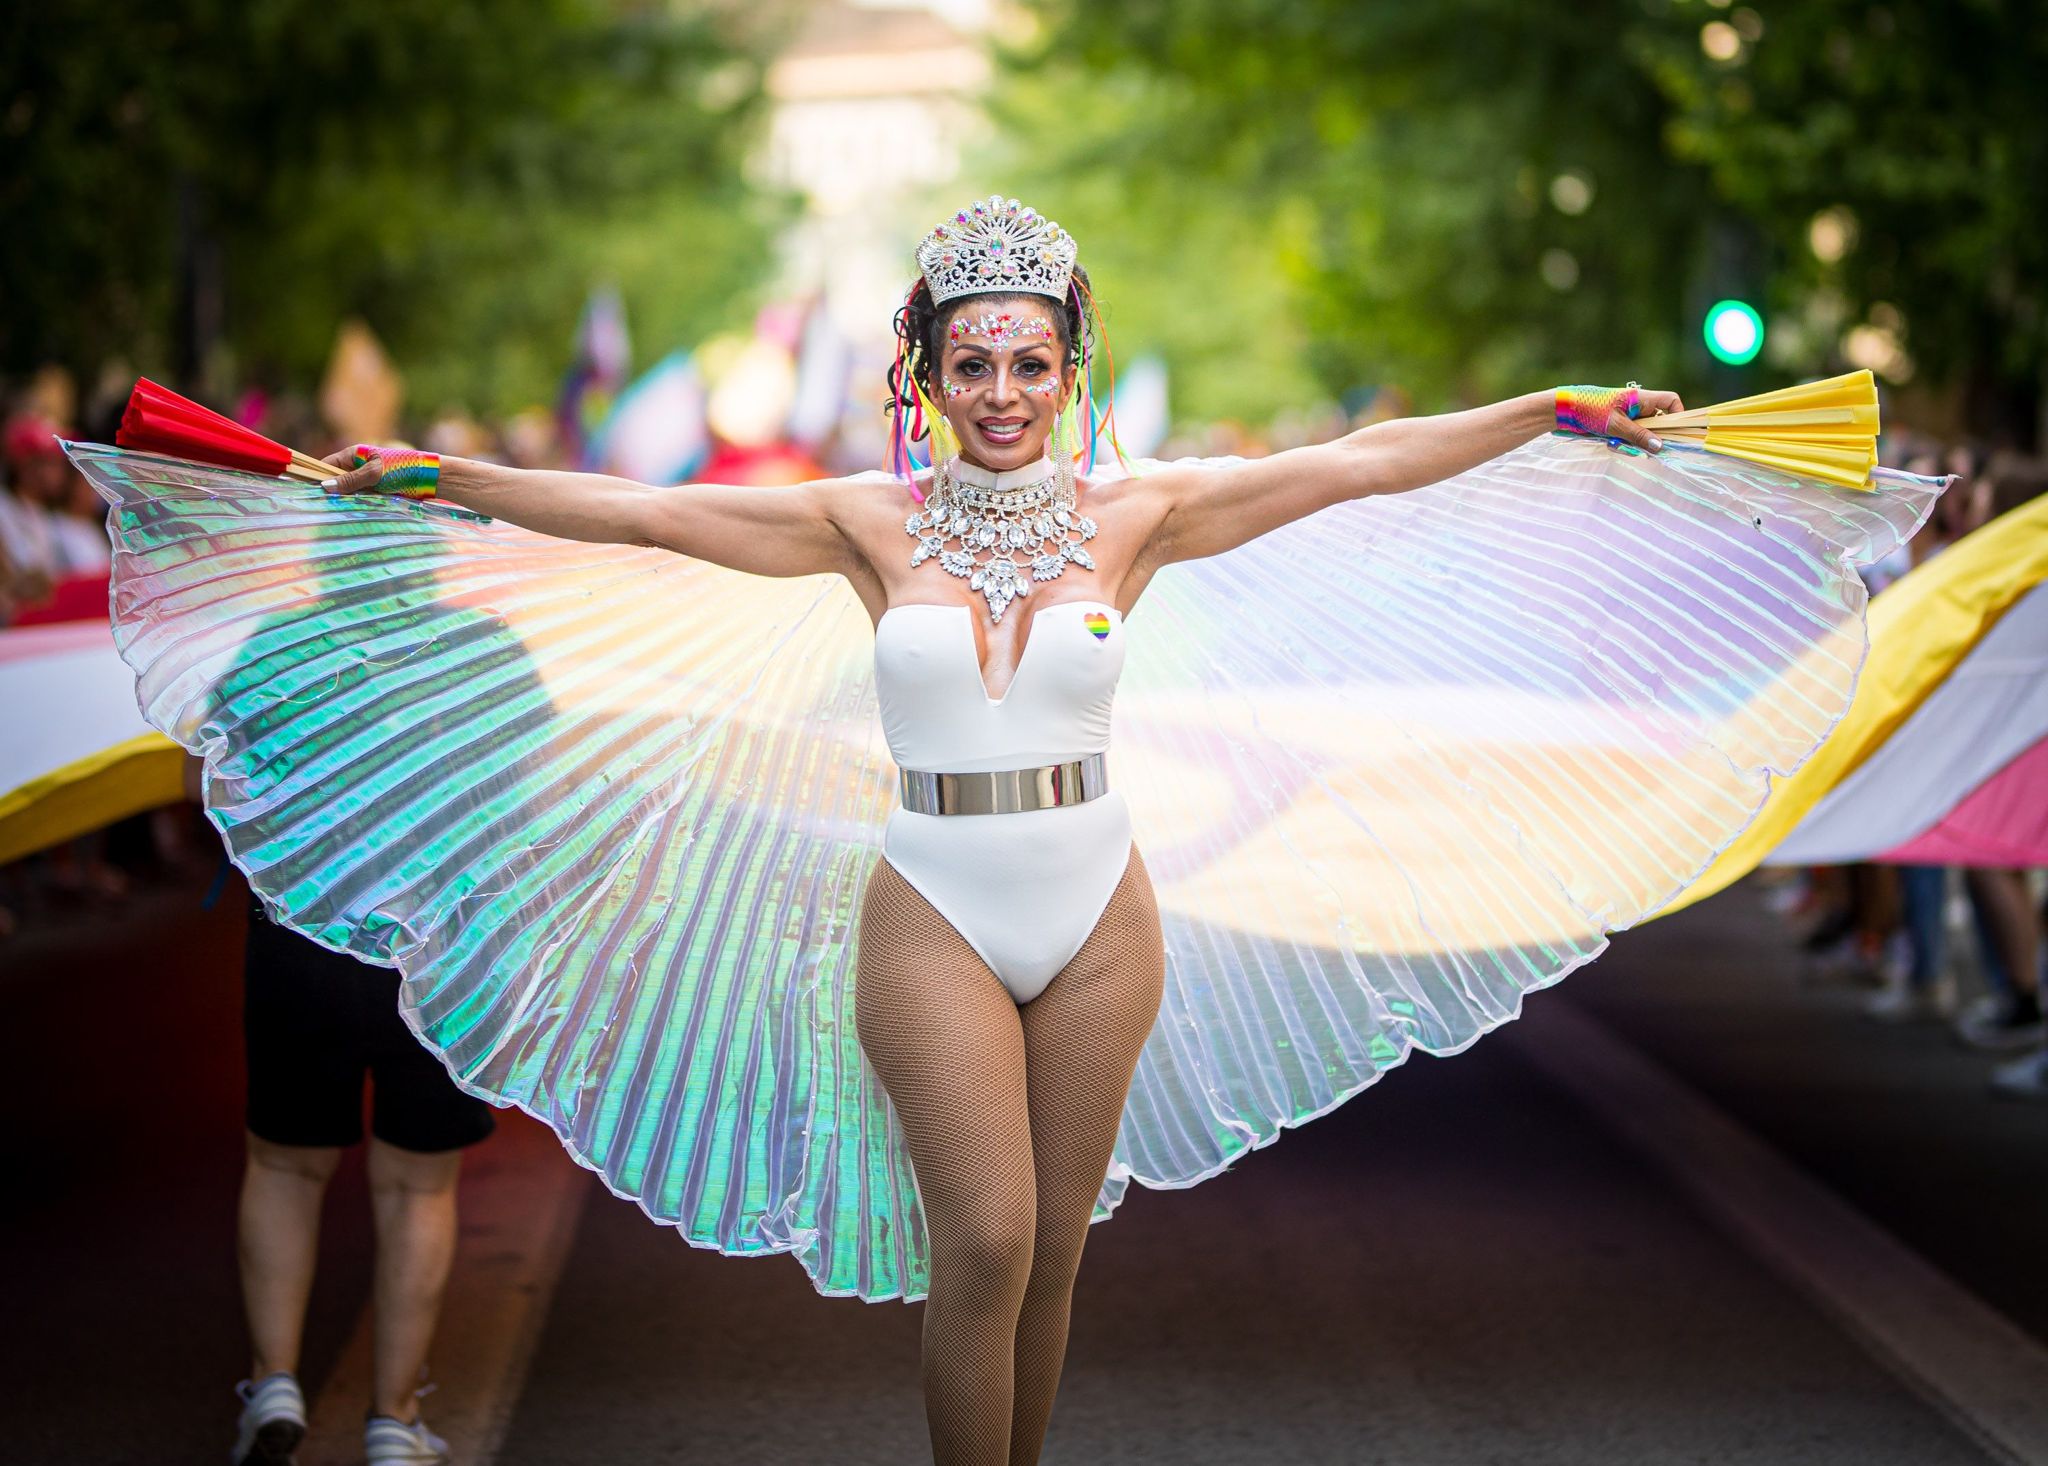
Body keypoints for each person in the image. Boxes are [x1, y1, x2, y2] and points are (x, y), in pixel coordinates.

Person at [72, 196, 1938, 1466]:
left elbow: (1357, 461)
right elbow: (626, 516)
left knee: (1055, 1250)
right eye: (967, 362)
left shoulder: (1138, 515)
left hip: (1100, 900)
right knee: (979, 1233)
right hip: (935, 906)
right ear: (928, 372)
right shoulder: (857, 527)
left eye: (1027, 361)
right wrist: (446, 477)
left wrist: (1545, 409)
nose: (998, 389)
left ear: (1065, 365)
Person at [231, 895, 494, 1466]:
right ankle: (394, 1423)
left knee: (285, 1164)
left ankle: (273, 1384)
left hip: (304, 921)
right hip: (442, 942)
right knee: (417, 1185)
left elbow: (202, 800)